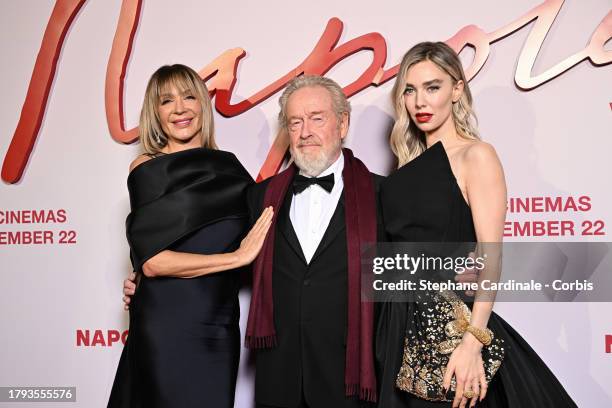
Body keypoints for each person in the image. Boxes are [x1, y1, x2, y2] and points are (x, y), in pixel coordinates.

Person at [375, 42, 577, 408]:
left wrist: (472, 342)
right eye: (410, 89)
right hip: (397, 327)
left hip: (451, 329)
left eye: (432, 87)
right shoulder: (404, 168)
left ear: (456, 90)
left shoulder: (475, 155)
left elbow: (490, 256)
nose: (420, 101)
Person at [108, 64, 273, 408]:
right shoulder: (147, 167)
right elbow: (153, 262)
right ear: (156, 112)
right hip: (167, 323)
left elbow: (260, 235)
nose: (180, 109)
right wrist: (235, 258)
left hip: (218, 324)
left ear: (202, 103)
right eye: (167, 101)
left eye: (188, 97)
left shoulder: (232, 168)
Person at [243, 75, 384, 408]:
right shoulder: (260, 197)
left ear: (343, 122)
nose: (305, 132)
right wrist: (151, 283)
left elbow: (411, 283)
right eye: (295, 122)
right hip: (278, 377)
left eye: (317, 118)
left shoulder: (382, 196)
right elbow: (230, 263)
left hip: (349, 380)